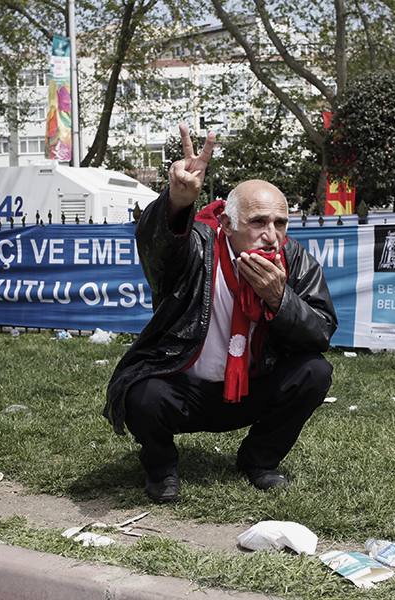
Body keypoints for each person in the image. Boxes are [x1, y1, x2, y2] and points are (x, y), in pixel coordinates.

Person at [104, 124, 337, 502]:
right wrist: (177, 203)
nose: (272, 235)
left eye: (280, 223)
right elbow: (157, 248)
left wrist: (280, 300)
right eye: (258, 222)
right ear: (227, 224)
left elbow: (320, 332)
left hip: (252, 388)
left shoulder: (293, 258)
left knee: (315, 371)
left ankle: (259, 461)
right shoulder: (196, 245)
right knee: (142, 393)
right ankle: (161, 470)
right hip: (185, 389)